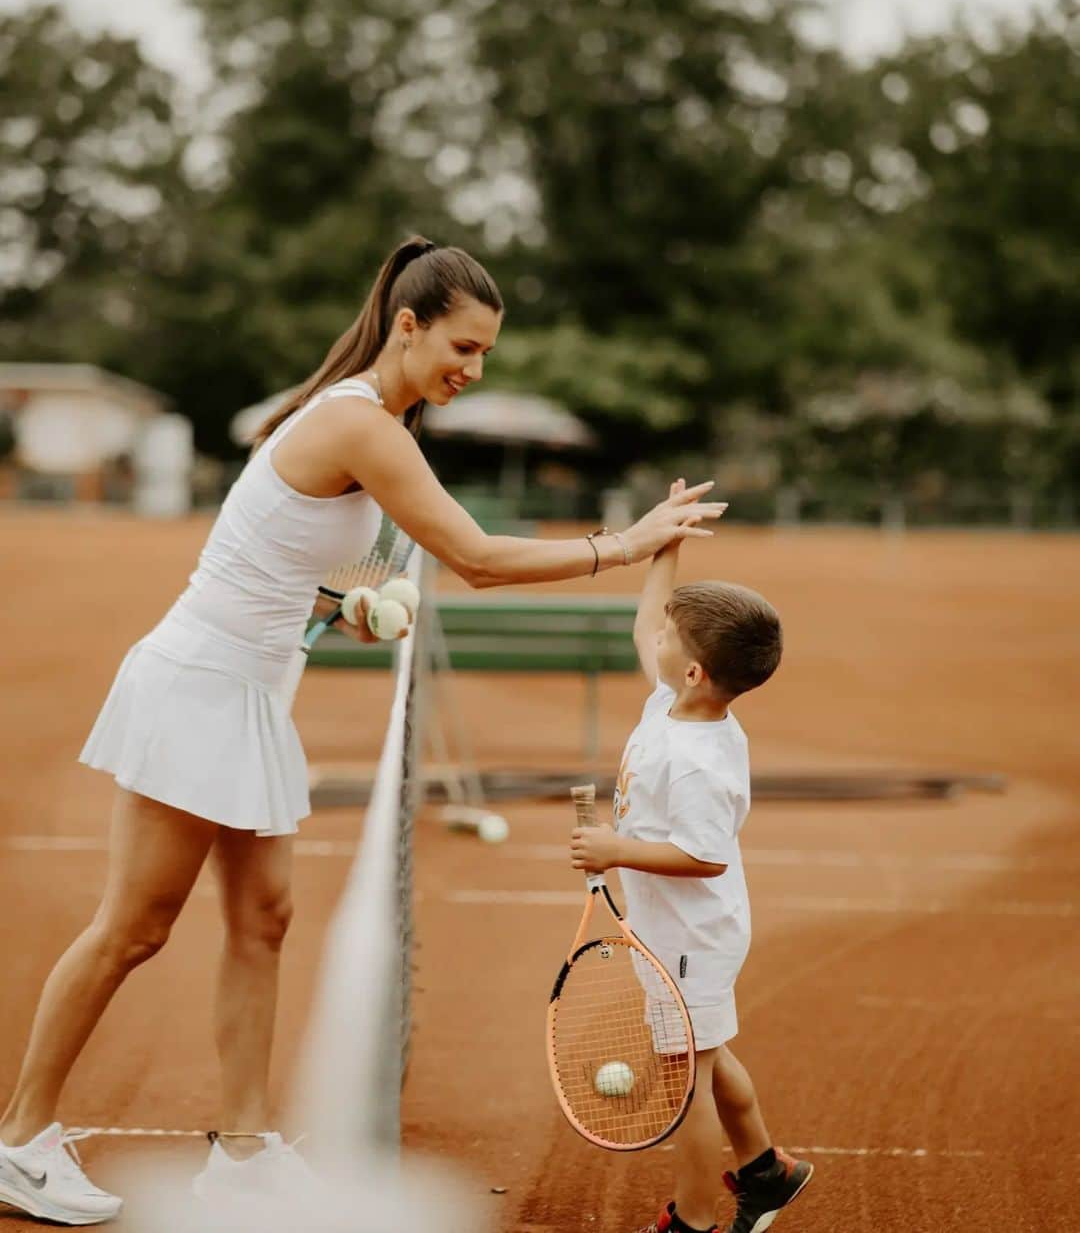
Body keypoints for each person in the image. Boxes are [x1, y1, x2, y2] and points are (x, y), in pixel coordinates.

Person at [0, 237, 727, 1226]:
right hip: (198, 687)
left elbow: (275, 559)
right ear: (409, 324)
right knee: (134, 926)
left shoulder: (367, 419)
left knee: (264, 922)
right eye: (462, 348)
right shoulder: (362, 424)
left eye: (484, 357)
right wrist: (627, 544)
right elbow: (472, 557)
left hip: (250, 692)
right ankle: (19, 1139)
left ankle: (246, 1148)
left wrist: (340, 608)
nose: (470, 371)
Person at [569, 480, 813, 1233]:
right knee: (708, 1053)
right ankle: (769, 1171)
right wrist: (665, 546)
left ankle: (696, 1222)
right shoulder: (671, 700)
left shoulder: (703, 759)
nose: (657, 642)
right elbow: (650, 622)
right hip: (668, 933)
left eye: (672, 641)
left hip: (690, 937)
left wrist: (617, 848)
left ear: (696, 671)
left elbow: (703, 856)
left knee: (687, 1083)